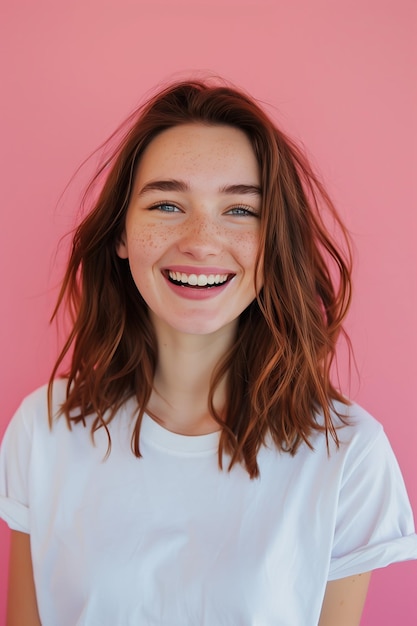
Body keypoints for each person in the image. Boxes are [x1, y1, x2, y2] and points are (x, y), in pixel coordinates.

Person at [1, 79, 416, 626]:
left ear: (275, 242)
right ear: (122, 234)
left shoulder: (349, 455)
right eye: (167, 204)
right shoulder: (45, 427)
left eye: (240, 210)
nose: (200, 240)